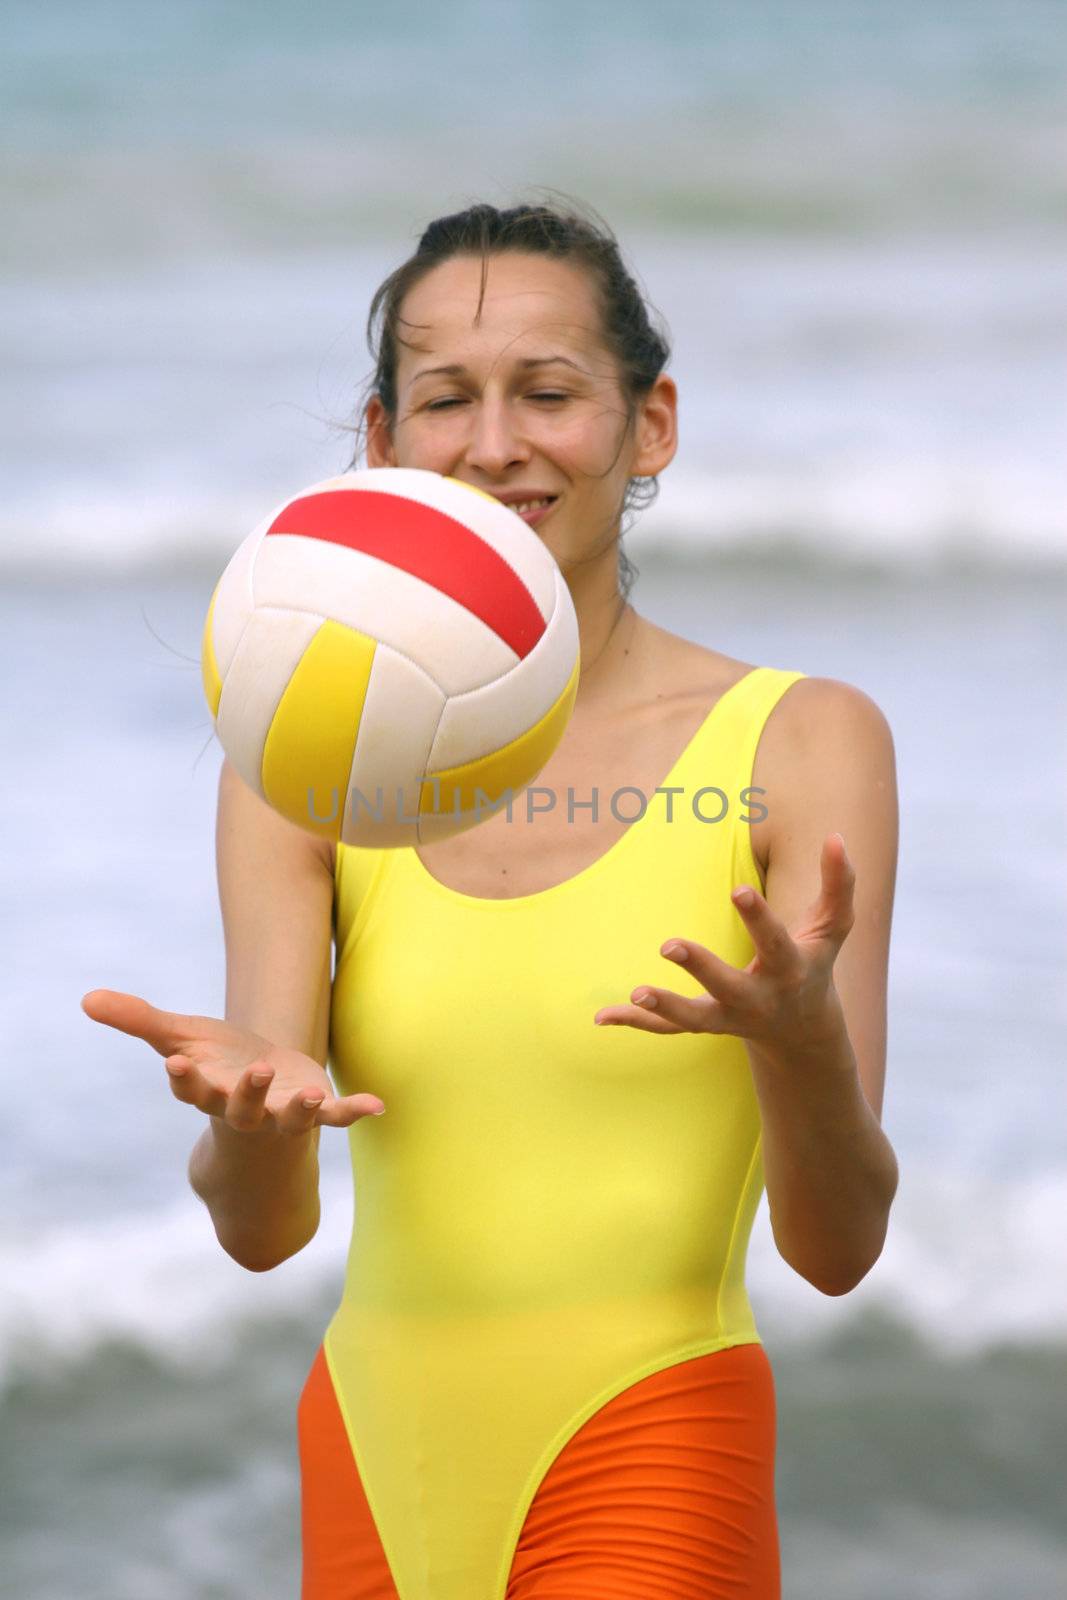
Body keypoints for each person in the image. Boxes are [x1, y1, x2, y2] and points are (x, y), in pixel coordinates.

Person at [82, 200, 900, 1600]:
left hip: (652, 1436)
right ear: (386, 440)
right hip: (375, 1452)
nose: (499, 443)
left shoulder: (799, 741)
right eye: (447, 397)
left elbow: (836, 1250)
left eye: (551, 392)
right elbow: (261, 1231)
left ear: (650, 427)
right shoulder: (302, 769)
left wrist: (799, 1041)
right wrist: (249, 1123)